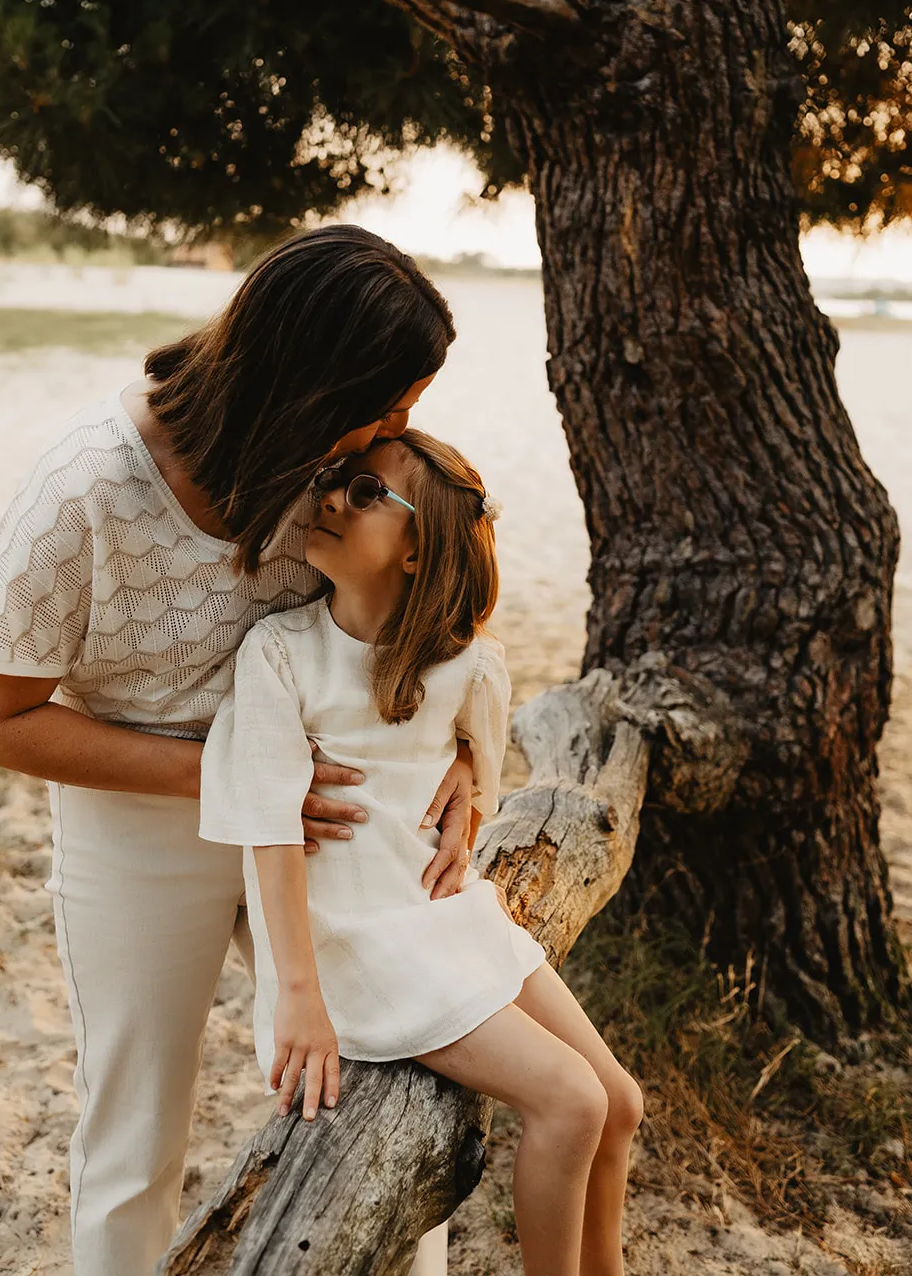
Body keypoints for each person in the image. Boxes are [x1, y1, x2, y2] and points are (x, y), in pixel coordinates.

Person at [0, 226, 468, 1276]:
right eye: (388, 403)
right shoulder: (87, 485)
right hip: (141, 818)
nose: (398, 430)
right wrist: (237, 781)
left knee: (394, 1073)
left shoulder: (340, 467)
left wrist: (462, 757)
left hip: (324, 809)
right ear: (311, 382)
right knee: (133, 1132)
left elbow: (438, 573)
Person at [199, 429, 645, 1276]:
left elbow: (473, 760)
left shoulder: (463, 664)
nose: (332, 498)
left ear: (417, 551)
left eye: (368, 493)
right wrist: (297, 996)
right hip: (354, 941)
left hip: (439, 914)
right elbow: (268, 828)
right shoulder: (281, 654)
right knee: (570, 1103)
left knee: (619, 1102)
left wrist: (468, 771)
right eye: (336, 480)